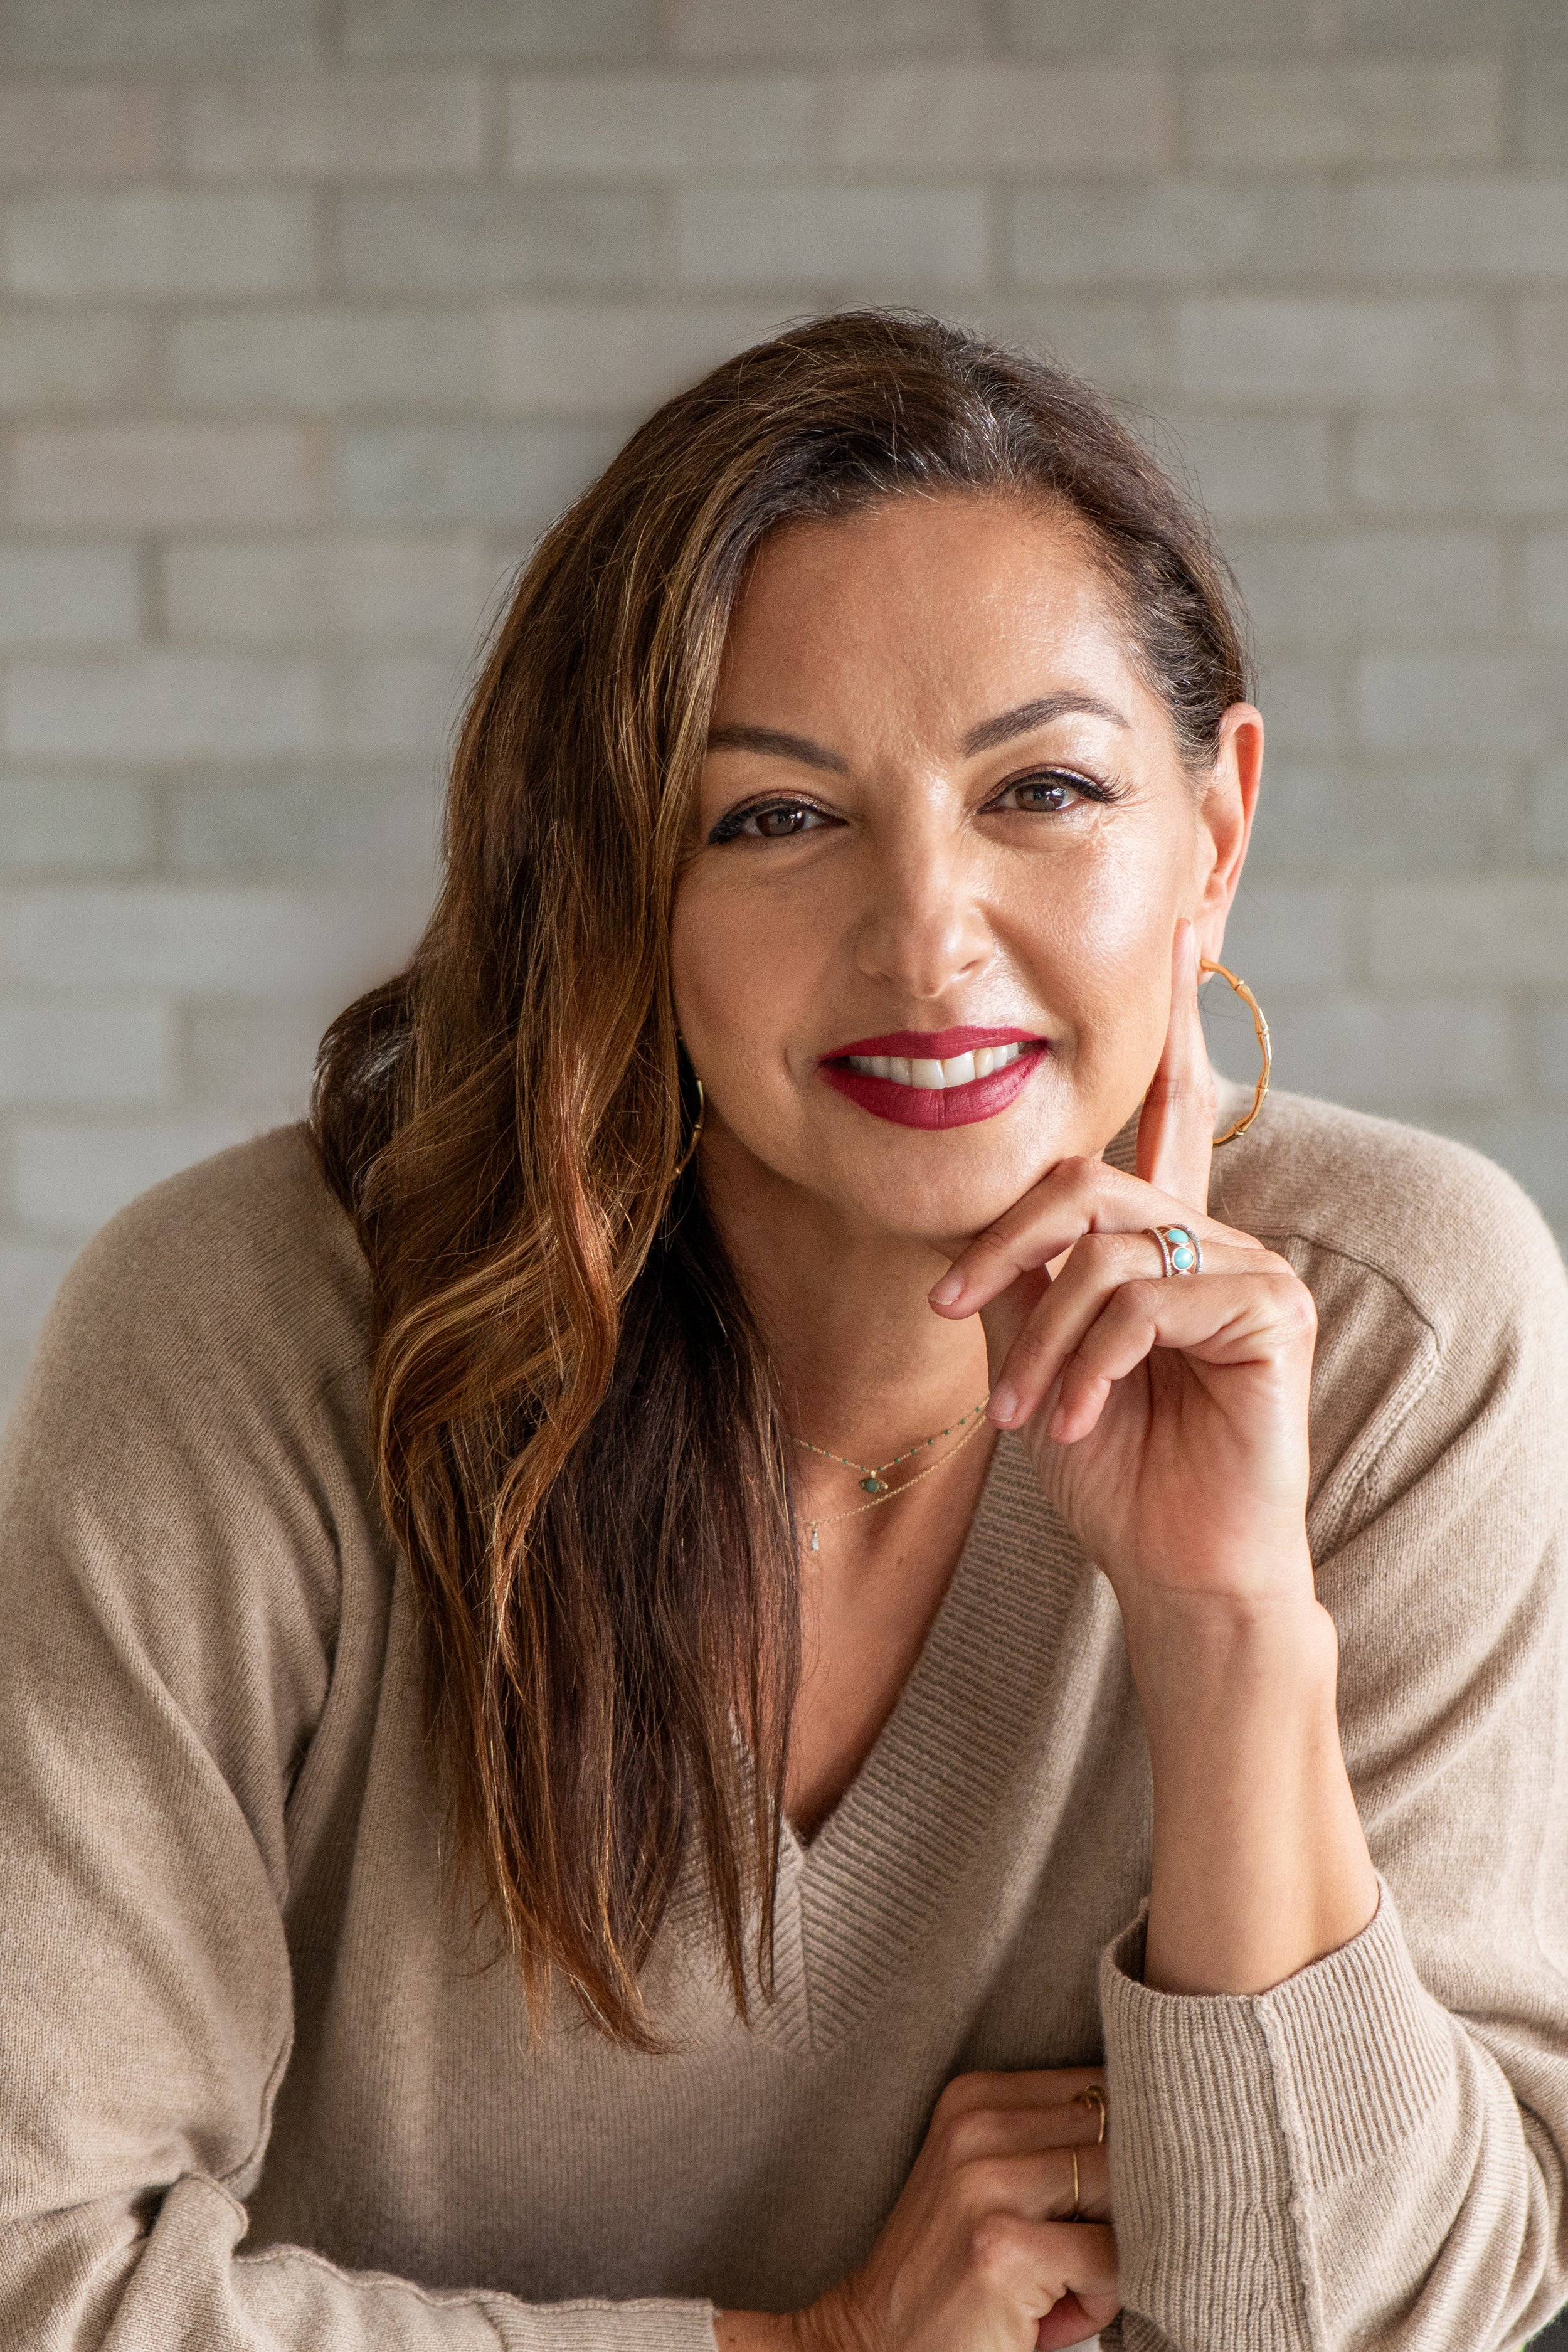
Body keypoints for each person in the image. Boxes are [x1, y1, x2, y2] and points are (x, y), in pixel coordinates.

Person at [2, 311, 1565, 2352]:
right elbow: (44, 2273)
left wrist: (1224, 1630)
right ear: (614, 880)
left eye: (1043, 790)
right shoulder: (237, 1339)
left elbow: (1375, 2324)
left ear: (1216, 832)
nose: (927, 935)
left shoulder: (1391, 1328)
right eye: (772, 817)